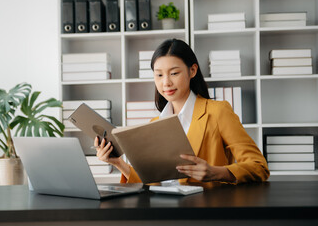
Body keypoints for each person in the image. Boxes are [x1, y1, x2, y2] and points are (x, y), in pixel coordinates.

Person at [95, 38, 269, 184]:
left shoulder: (218, 112)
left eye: (174, 73)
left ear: (192, 71)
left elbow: (259, 166)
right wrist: (117, 162)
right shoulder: (154, 125)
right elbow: (153, 182)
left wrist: (217, 172)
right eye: (159, 75)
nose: (166, 83)